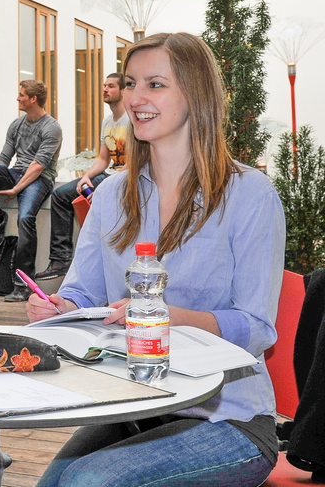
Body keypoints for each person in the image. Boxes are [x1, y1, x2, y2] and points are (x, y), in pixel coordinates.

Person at [28, 32, 285, 487]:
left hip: (228, 419)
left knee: (89, 482)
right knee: (56, 483)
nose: (135, 98)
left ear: (195, 92)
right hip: (135, 404)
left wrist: (165, 316)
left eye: (155, 84)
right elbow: (82, 290)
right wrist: (60, 308)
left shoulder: (249, 194)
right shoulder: (111, 193)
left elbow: (257, 328)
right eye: (129, 84)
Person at [0, 79, 62, 302]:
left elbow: (38, 166)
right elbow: (4, 158)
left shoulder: (51, 127)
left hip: (40, 178)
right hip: (16, 173)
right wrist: (0, 181)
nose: (18, 98)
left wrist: (14, 190)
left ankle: (23, 284)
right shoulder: (17, 124)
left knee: (25, 218)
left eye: (22, 95)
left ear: (33, 99)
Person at [36, 73, 129, 280]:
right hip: (109, 174)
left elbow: (135, 163)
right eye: (104, 85)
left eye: (111, 86)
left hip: (126, 177)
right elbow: (103, 159)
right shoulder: (107, 122)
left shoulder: (131, 119)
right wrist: (87, 176)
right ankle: (61, 259)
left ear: (123, 91)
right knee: (61, 195)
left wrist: (108, 185)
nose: (105, 89)